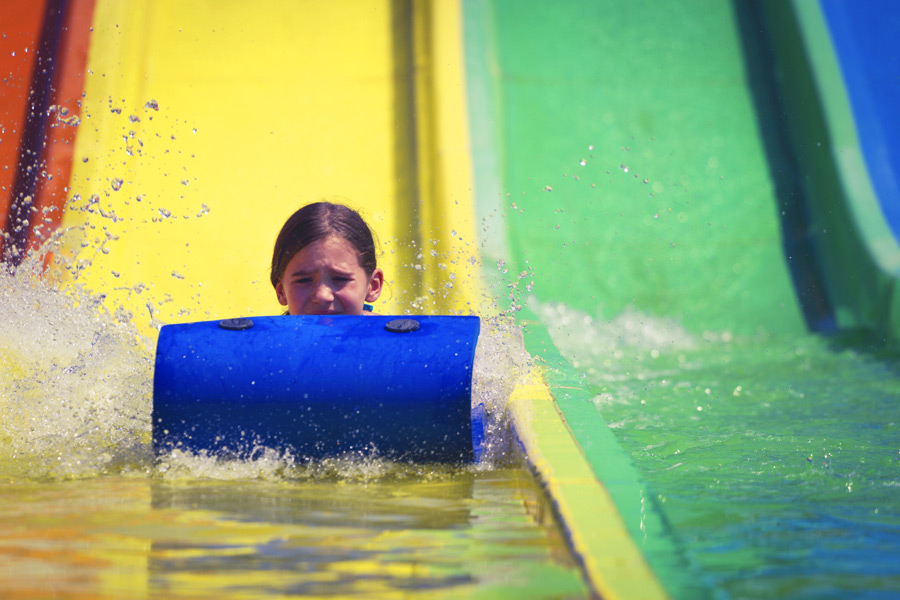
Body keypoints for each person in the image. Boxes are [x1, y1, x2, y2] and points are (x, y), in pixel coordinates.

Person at [270, 201, 384, 315]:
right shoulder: (265, 333)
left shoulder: (390, 331)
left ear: (373, 286)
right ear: (281, 292)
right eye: (303, 280)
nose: (322, 296)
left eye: (340, 279)